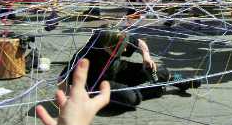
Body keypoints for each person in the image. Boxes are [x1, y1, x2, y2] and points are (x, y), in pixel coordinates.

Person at [60, 26, 200, 110]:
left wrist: (146, 56)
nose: (126, 48)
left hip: (117, 69)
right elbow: (62, 79)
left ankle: (178, 79)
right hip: (100, 84)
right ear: (107, 48)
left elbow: (140, 43)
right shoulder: (86, 54)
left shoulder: (119, 37)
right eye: (121, 48)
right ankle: (155, 89)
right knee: (130, 98)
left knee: (158, 70)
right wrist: (70, 102)